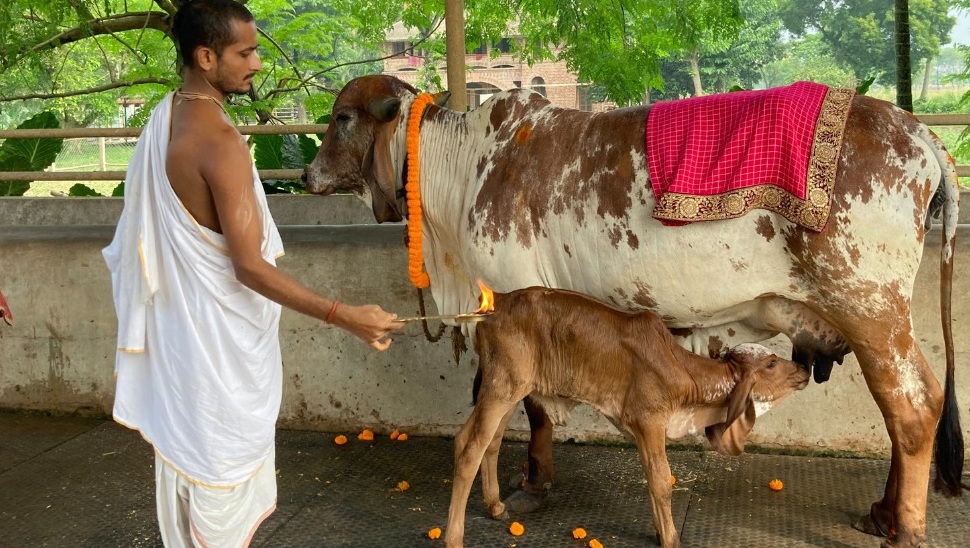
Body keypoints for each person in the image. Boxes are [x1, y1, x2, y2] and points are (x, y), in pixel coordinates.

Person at [102, 0, 403, 545]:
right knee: (218, 492)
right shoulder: (220, 145)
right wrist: (346, 316)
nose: (258, 62)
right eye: (246, 51)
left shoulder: (167, 115)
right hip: (215, 358)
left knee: (194, 482)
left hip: (184, 347)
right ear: (206, 56)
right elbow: (248, 267)